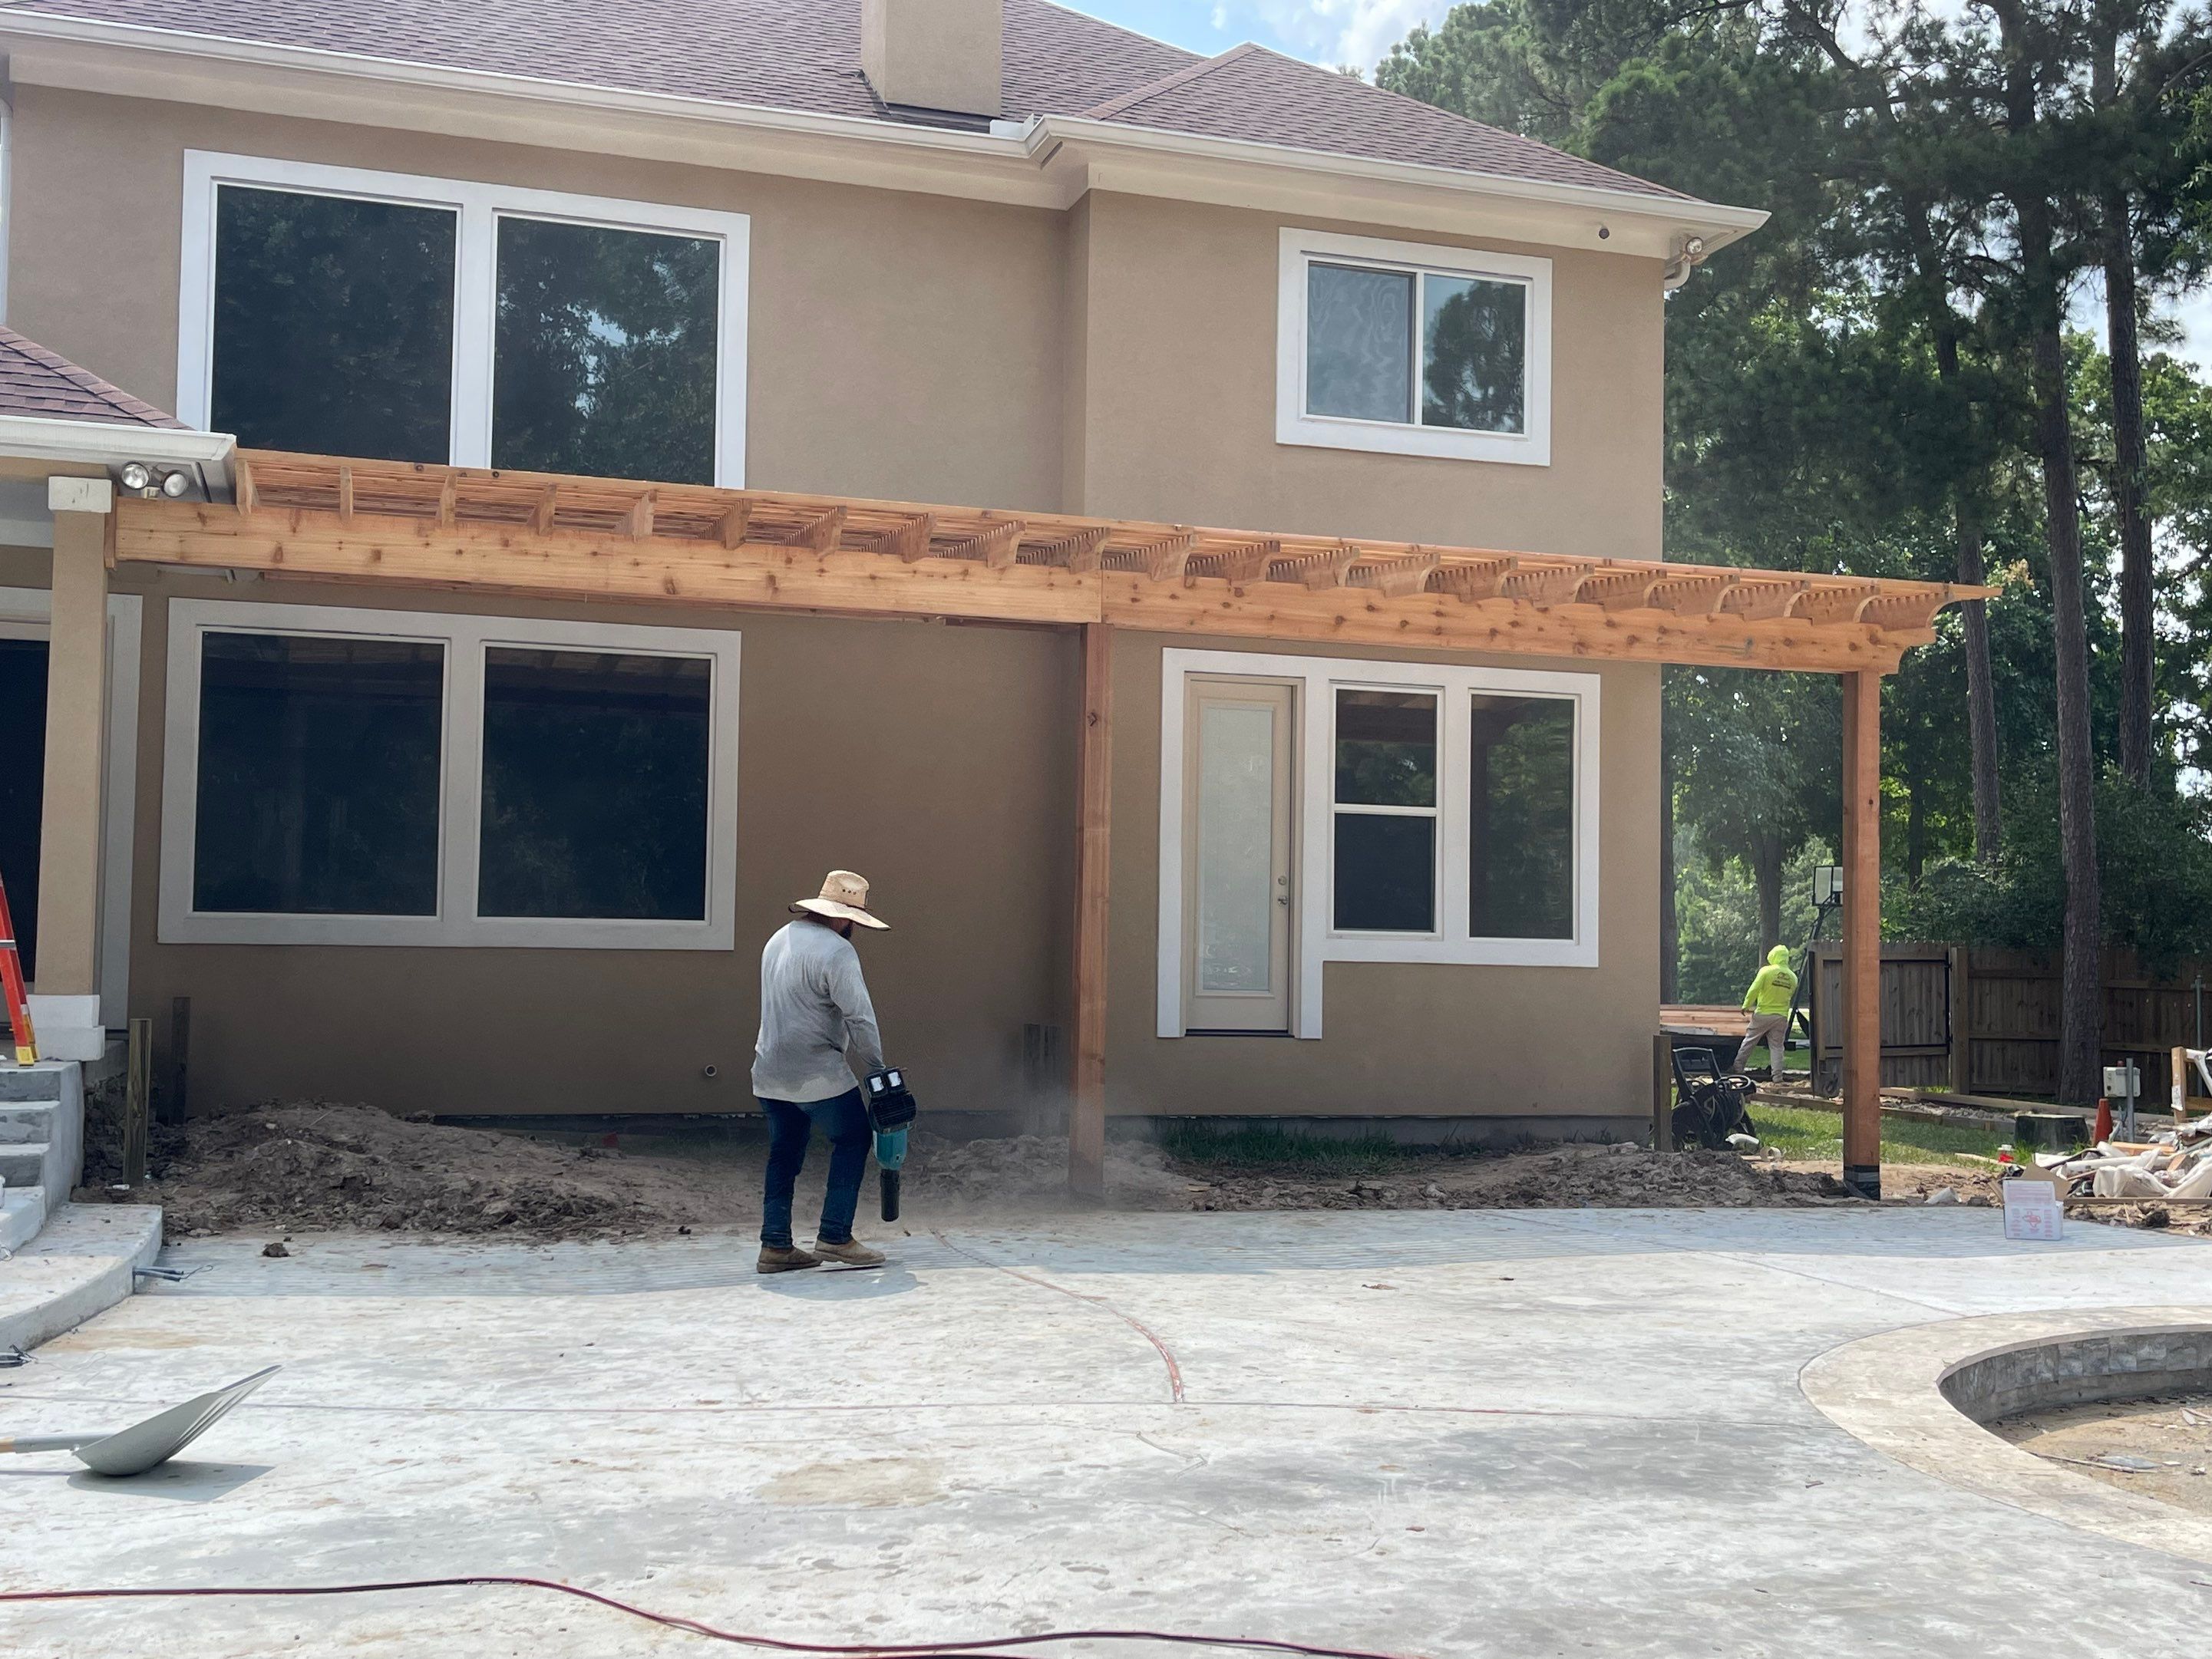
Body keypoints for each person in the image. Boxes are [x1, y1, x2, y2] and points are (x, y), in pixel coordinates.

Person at [753, 870, 892, 1273]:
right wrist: (878, 1069)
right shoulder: (837, 951)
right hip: (817, 1071)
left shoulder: (779, 938)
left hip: (769, 1070)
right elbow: (859, 1017)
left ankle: (775, 1245)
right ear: (845, 918)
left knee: (783, 1155)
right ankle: (835, 1235)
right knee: (853, 1138)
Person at [1735, 944, 1798, 1080]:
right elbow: (1789, 995)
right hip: (1781, 1016)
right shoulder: (1793, 977)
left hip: (1763, 1014)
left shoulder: (1766, 971)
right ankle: (1777, 1076)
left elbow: (1755, 989)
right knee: (1777, 1047)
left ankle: (1738, 1068)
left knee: (1750, 1041)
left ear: (1773, 956)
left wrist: (1746, 1005)